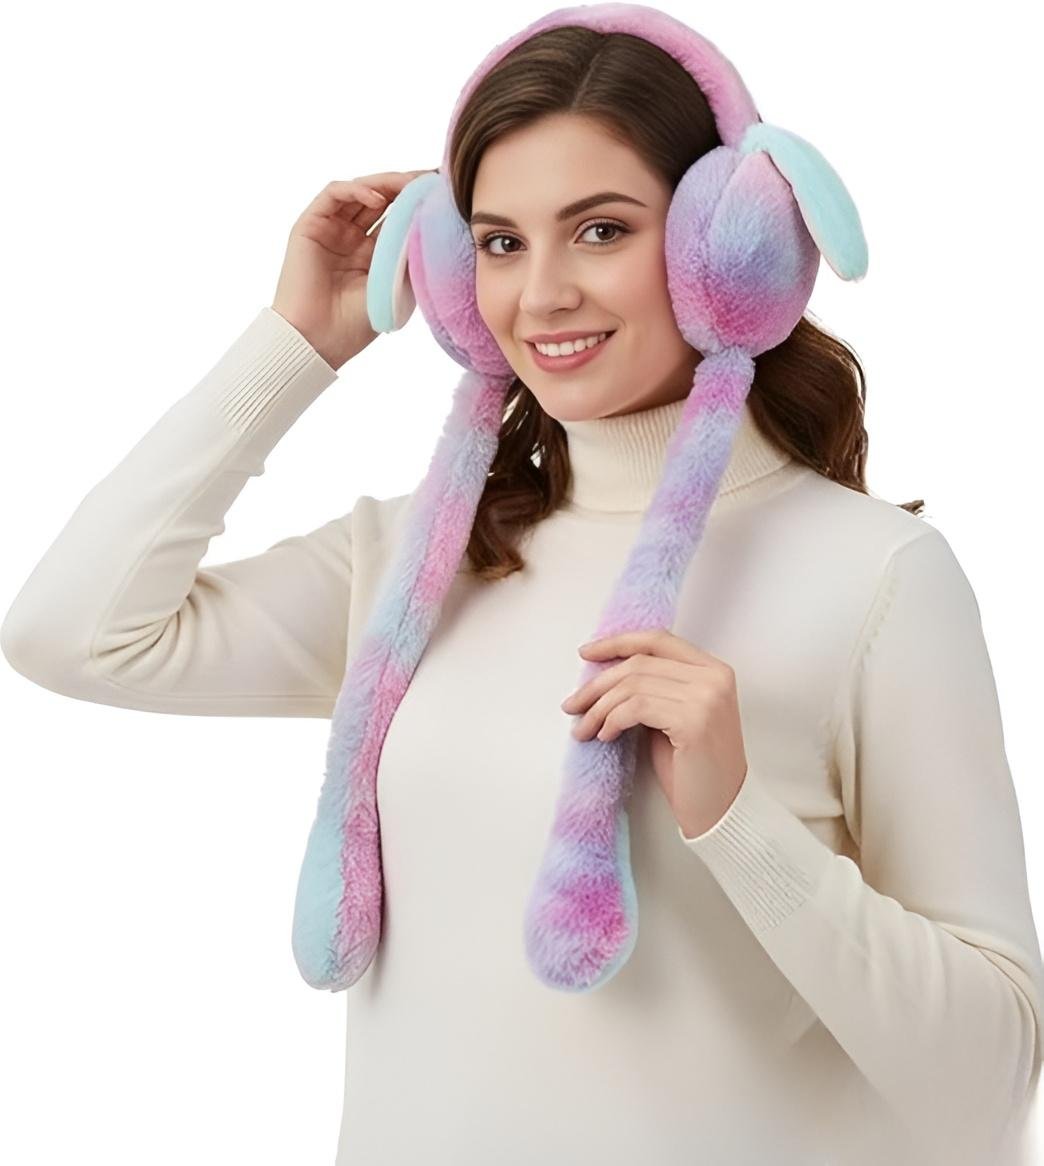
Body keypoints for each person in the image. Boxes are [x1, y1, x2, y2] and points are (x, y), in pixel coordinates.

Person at [2, 14, 1041, 1166]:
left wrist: (740, 820)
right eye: (498, 242)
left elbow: (993, 1078)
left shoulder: (877, 577)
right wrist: (299, 341)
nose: (540, 293)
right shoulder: (417, 563)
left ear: (724, 242)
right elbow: (69, 633)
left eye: (600, 229)